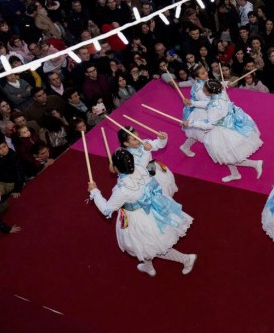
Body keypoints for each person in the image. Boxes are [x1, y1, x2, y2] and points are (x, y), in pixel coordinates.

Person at [88, 149, 196, 277]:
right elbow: (147, 162)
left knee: (149, 245)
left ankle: (186, 259)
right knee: (145, 246)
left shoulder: (122, 190)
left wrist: (95, 192)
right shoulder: (140, 168)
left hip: (138, 218)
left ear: (116, 168)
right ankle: (148, 266)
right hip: (153, 209)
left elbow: (107, 209)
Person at [182, 79, 263, 182]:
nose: (203, 90)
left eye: (204, 89)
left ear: (210, 92)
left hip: (222, 129)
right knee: (228, 155)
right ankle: (235, 174)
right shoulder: (221, 93)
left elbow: (209, 124)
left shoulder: (214, 108)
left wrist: (191, 123)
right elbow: (208, 103)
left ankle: (255, 164)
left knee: (228, 156)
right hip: (229, 123)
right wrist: (192, 103)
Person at [119, 127, 177, 198]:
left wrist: (162, 139)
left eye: (138, 136)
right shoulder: (127, 156)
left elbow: (158, 145)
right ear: (126, 143)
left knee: (167, 180)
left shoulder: (143, 143)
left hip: (152, 167)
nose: (138, 140)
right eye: (134, 139)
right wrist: (146, 152)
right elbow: (141, 167)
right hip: (144, 176)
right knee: (160, 189)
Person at [180, 64, 211, 158]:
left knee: (196, 134)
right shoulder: (199, 90)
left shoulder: (204, 81)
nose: (206, 74)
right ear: (197, 77)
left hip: (203, 110)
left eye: (205, 71)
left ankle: (185, 147)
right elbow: (207, 103)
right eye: (203, 73)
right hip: (203, 112)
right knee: (204, 134)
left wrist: (224, 84)